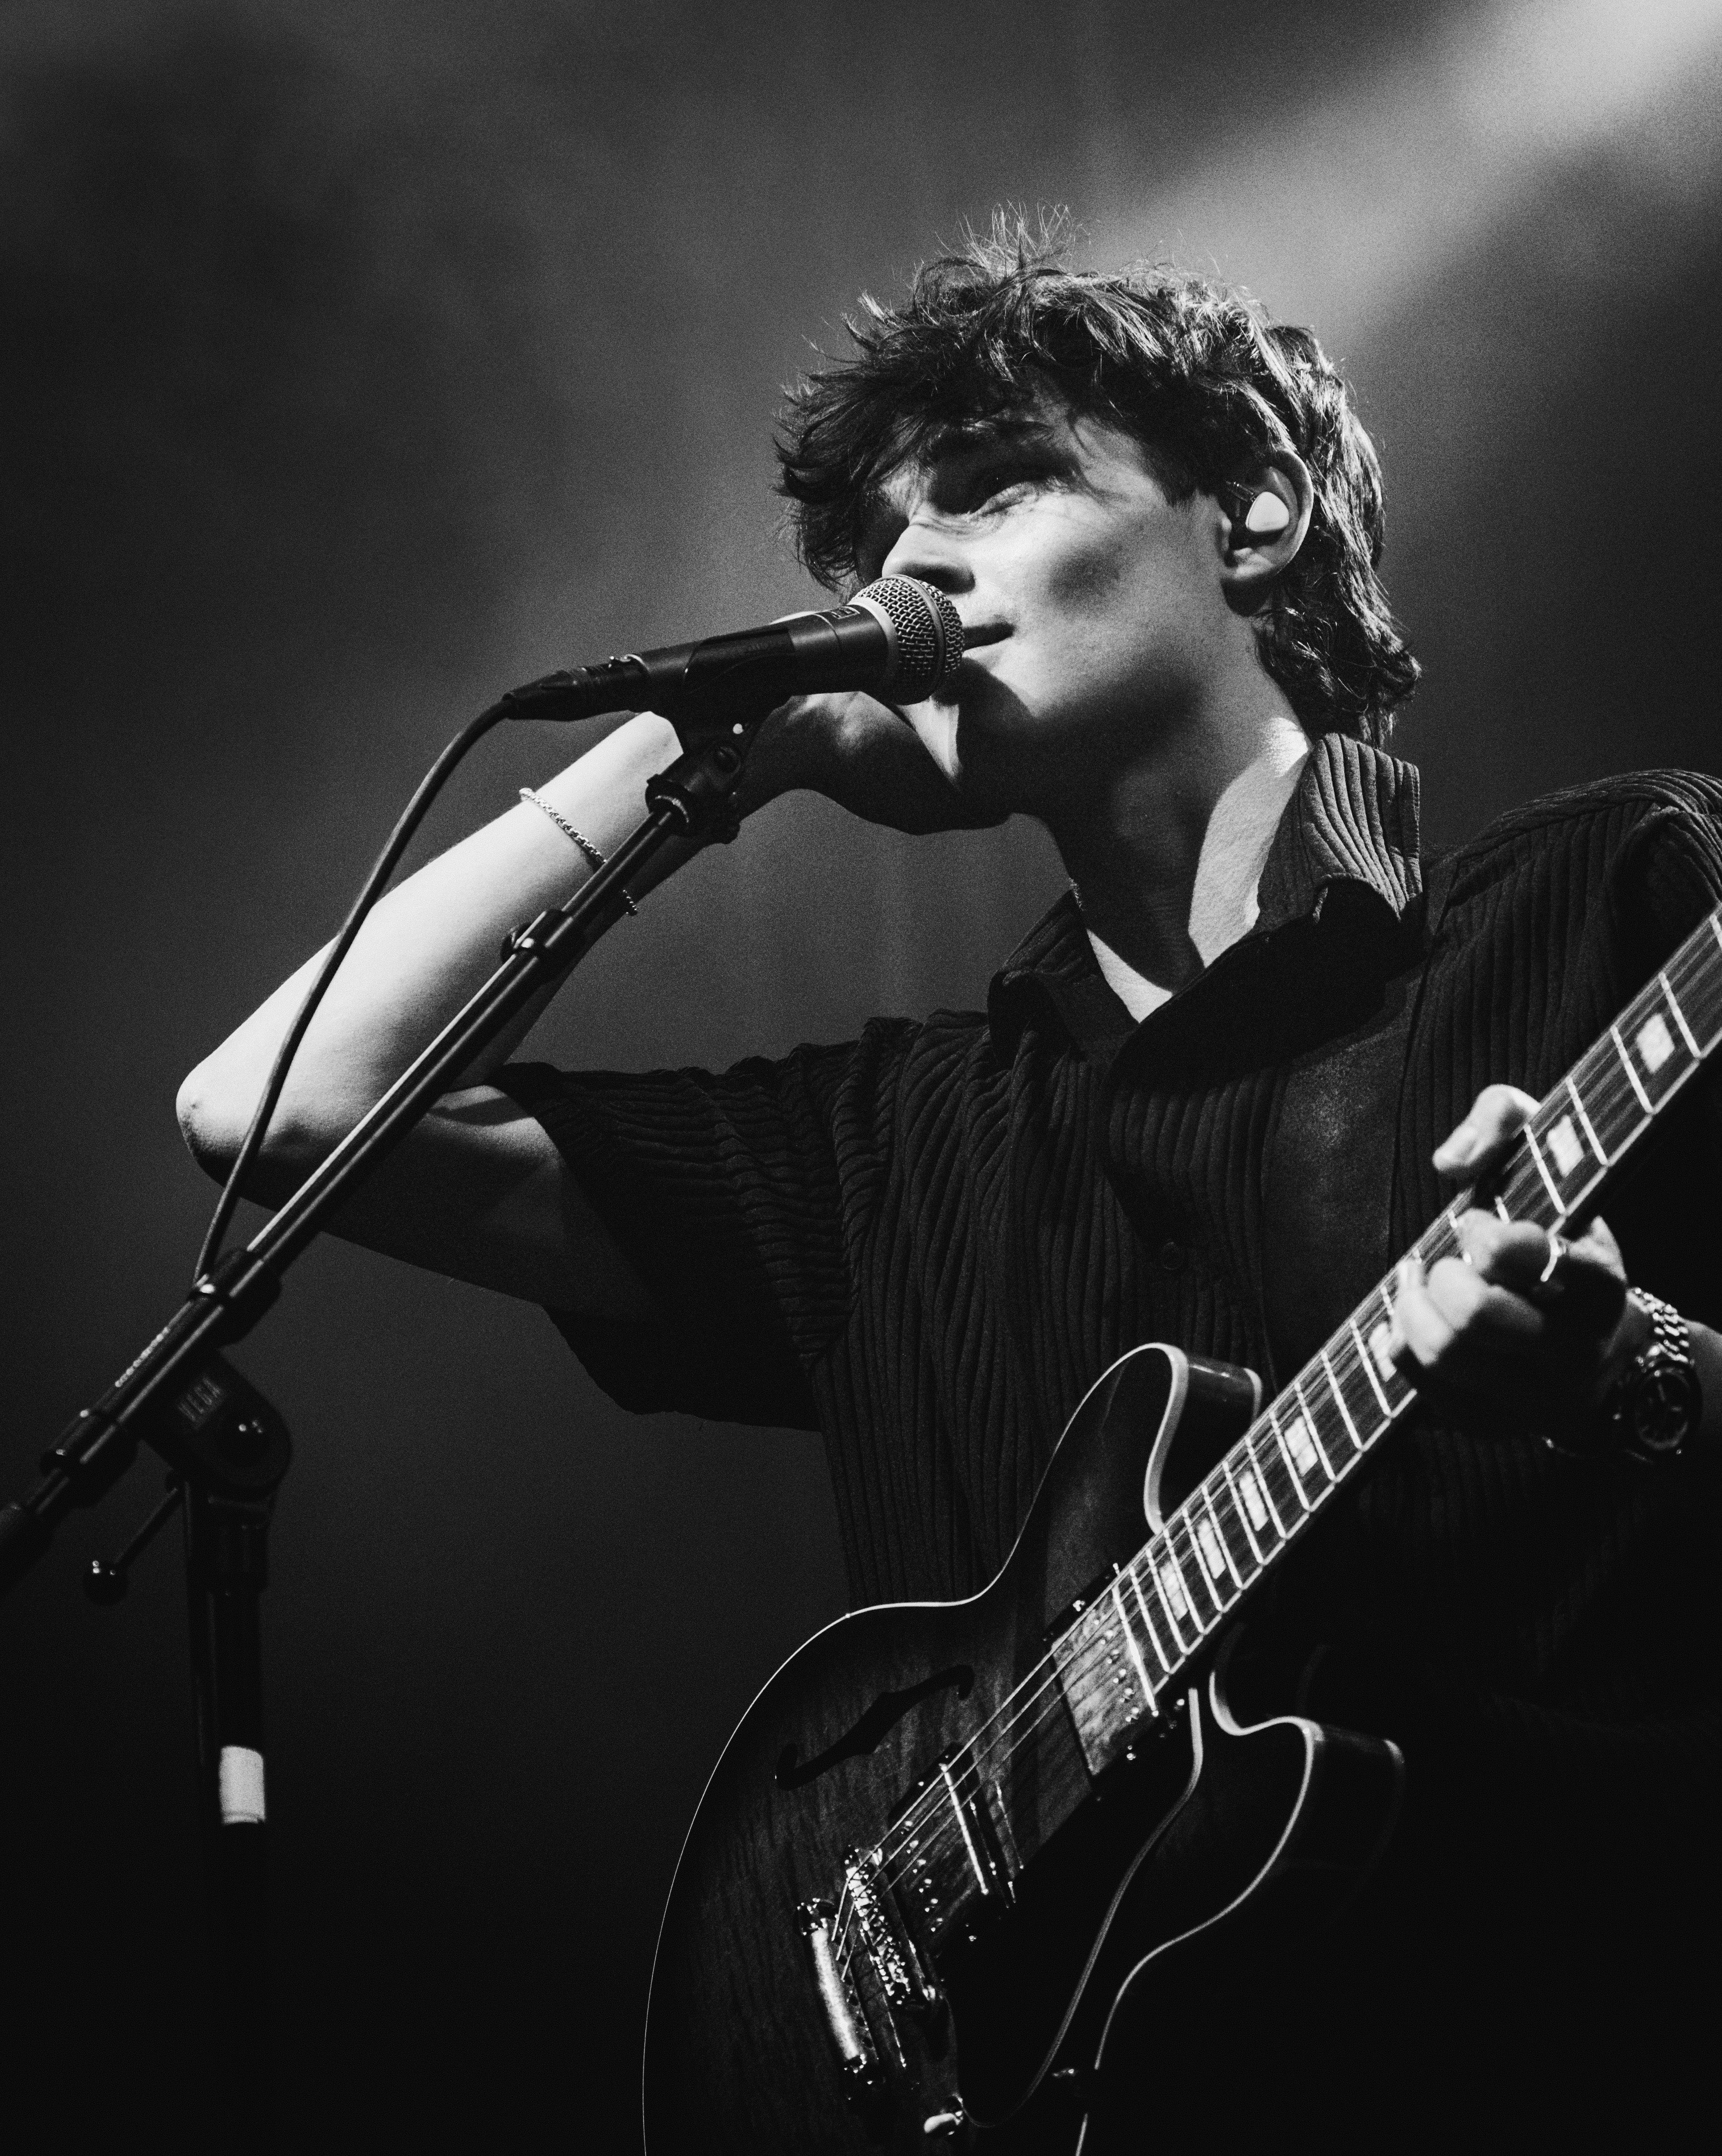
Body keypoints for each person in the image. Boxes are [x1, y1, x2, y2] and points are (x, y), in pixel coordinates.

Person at [178, 228, 1722, 2137]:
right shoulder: (879, 1147)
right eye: (876, 546)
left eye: (991, 486)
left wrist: (1641, 1374)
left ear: (1252, 510)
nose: (909, 568)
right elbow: (272, 1114)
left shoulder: (1617, 902)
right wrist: (708, 749)